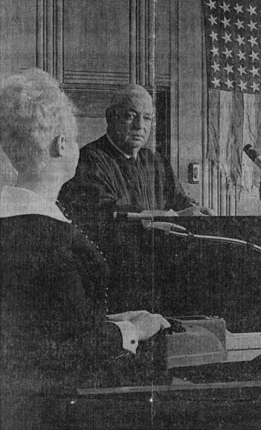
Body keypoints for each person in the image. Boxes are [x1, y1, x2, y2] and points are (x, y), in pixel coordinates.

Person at [0, 69, 170, 429]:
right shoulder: (46, 238)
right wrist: (133, 330)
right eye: (76, 139)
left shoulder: (14, 222)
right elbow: (66, 353)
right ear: (62, 145)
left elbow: (43, 324)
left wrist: (110, 321)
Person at [58, 84, 213, 230]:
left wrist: (195, 210)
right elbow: (106, 211)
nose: (139, 126)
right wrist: (172, 216)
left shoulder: (157, 162)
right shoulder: (89, 159)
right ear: (111, 117)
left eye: (147, 118)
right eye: (131, 116)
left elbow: (180, 201)